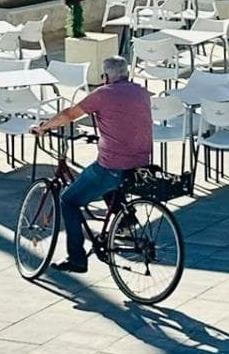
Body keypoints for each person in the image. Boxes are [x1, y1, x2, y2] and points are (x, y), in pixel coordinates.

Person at [30, 56, 152, 274]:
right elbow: (125, 121)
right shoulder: (140, 91)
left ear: (106, 76)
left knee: (68, 200)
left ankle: (77, 259)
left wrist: (44, 127)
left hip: (113, 166)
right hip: (140, 163)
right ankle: (124, 219)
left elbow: (70, 114)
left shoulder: (104, 94)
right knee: (104, 181)